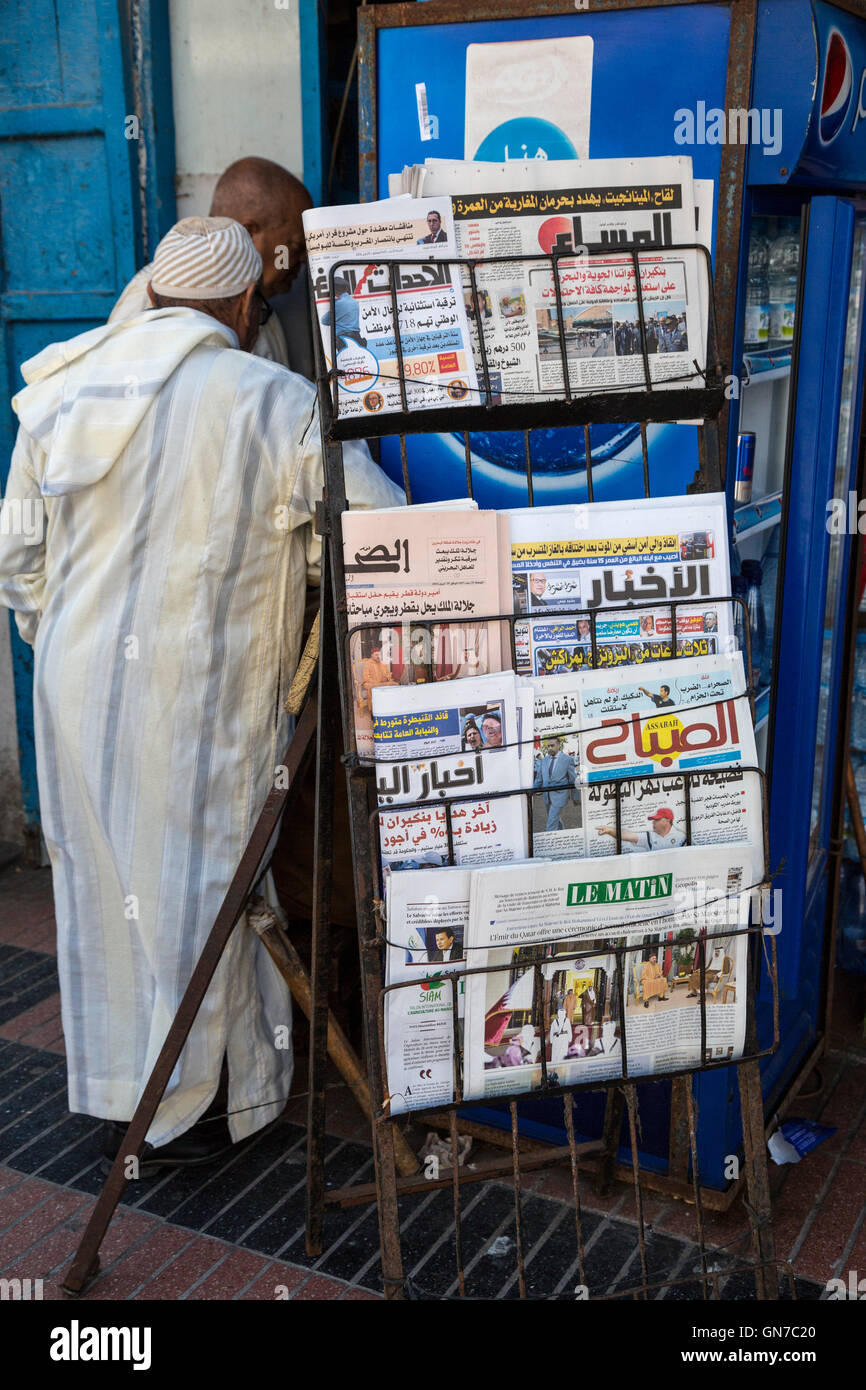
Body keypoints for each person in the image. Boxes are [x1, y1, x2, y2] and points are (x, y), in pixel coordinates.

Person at [0, 216, 403, 1172]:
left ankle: (119, 1100)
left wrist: (59, 643)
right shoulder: (273, 397)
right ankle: (195, 1112)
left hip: (73, 685)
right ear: (238, 304)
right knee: (203, 889)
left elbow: (18, 555)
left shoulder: (61, 388)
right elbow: (373, 523)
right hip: (203, 691)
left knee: (108, 889)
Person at [110, 156, 314, 377]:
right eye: (294, 246)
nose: (303, 259)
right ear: (249, 232)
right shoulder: (155, 292)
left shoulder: (262, 308)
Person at [534, 736, 578, 832]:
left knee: (551, 824)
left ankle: (550, 843)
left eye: (552, 745)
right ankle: (563, 834)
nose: (550, 748)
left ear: (558, 745)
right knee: (555, 818)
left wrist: (576, 797)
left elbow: (573, 780)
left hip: (560, 796)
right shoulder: (544, 761)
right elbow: (539, 778)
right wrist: (532, 791)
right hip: (547, 796)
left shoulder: (567, 759)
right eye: (548, 746)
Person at [597, 807, 686, 852]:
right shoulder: (650, 836)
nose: (653, 822)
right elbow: (628, 835)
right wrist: (610, 830)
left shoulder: (681, 837)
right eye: (653, 820)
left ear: (668, 820)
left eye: (657, 820)